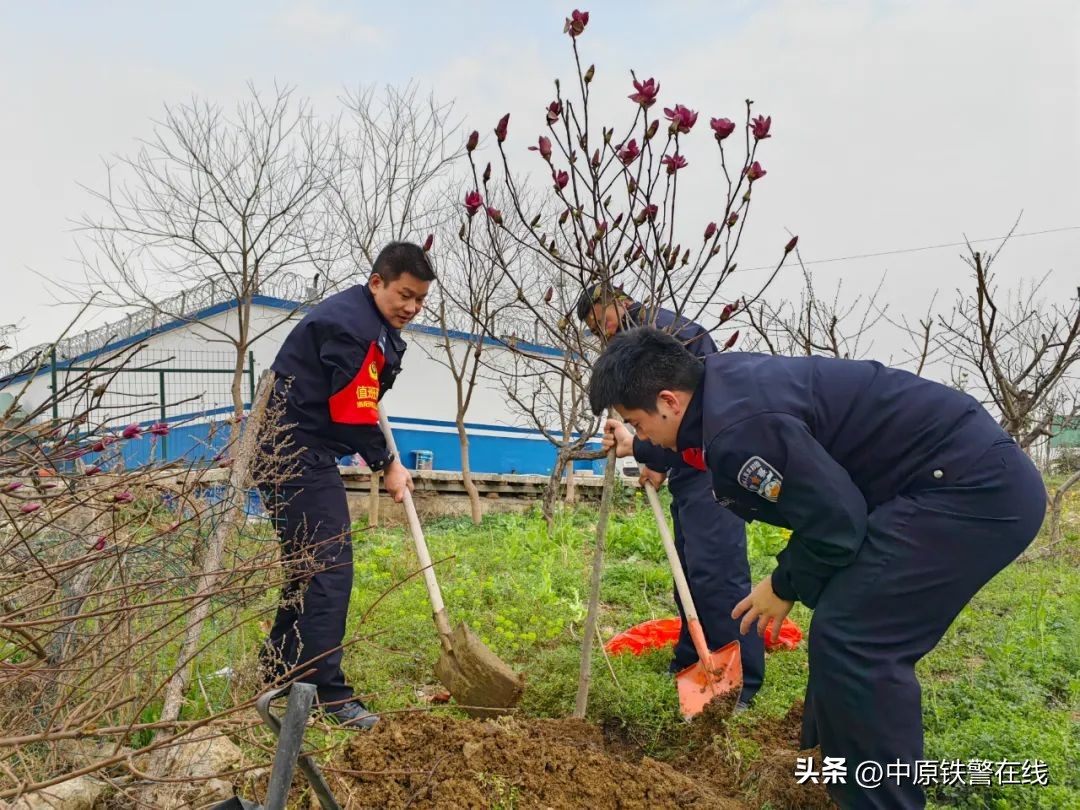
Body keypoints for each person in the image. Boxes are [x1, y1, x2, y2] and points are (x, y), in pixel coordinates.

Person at [591, 326, 1045, 809]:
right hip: (940, 478)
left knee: (857, 637)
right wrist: (640, 447)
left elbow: (837, 523)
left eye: (638, 423)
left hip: (971, 490)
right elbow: (695, 444)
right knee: (840, 620)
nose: (642, 432)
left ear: (668, 400)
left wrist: (782, 583)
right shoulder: (720, 389)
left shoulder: (742, 429)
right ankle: (823, 773)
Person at [258, 242, 434, 730]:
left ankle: (278, 671)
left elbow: (359, 394)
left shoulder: (366, 322)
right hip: (294, 454)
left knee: (307, 568)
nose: (412, 308)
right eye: (404, 295)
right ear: (376, 282)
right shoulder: (351, 326)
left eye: (420, 300)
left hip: (291, 451)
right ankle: (326, 694)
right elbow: (352, 414)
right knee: (329, 569)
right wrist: (388, 464)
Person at [575, 285, 764, 707]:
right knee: (690, 572)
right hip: (687, 468)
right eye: (596, 331)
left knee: (717, 574)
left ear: (617, 301)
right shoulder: (635, 341)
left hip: (710, 466)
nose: (603, 333)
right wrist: (656, 458)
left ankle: (742, 681)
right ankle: (691, 657)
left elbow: (691, 408)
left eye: (602, 322)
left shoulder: (665, 333)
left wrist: (654, 451)